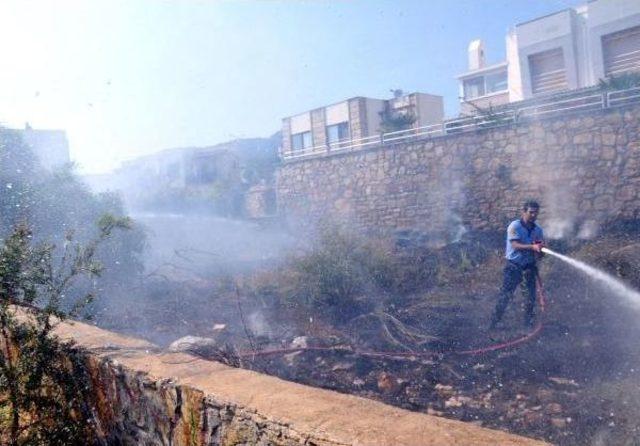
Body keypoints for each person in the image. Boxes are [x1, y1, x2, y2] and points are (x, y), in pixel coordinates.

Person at [490, 200, 545, 329]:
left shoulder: (538, 230)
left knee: (530, 298)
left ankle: (528, 324)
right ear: (524, 212)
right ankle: (494, 322)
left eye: (536, 213)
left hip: (530, 267)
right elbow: (515, 245)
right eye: (531, 212)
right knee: (506, 296)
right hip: (514, 267)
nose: (534, 215)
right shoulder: (514, 226)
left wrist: (541, 250)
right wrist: (532, 247)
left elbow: (538, 249)